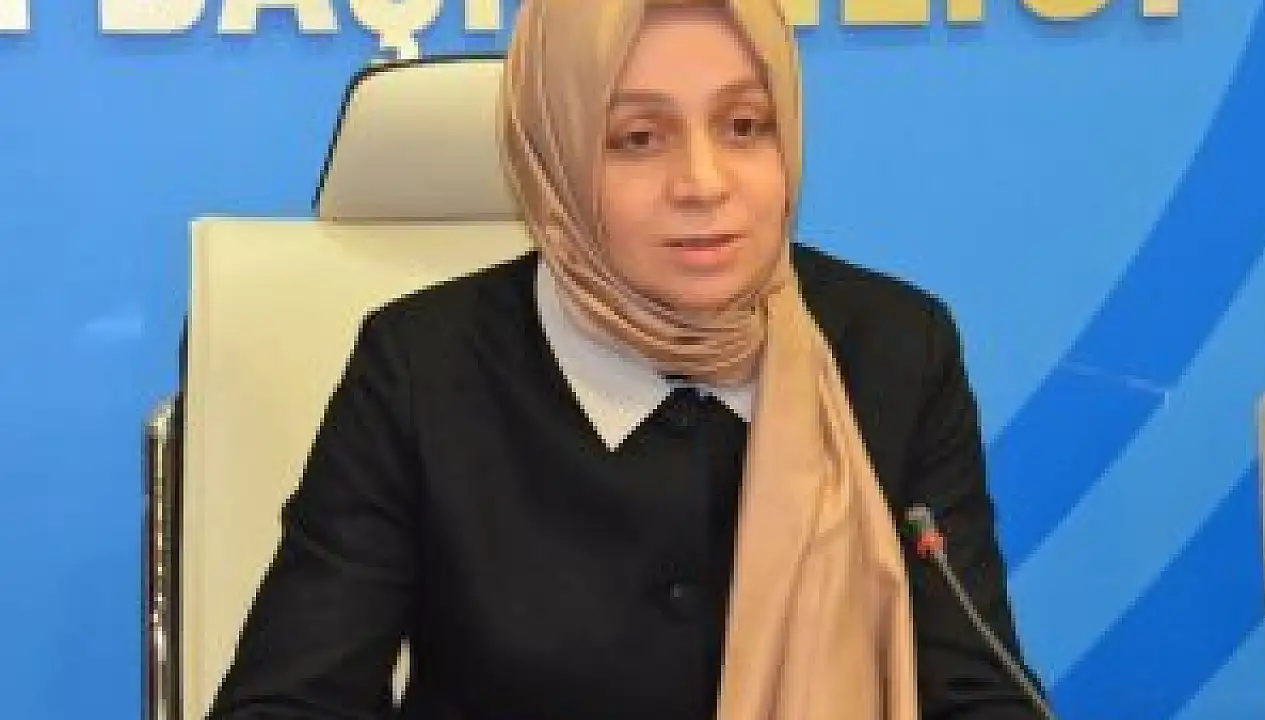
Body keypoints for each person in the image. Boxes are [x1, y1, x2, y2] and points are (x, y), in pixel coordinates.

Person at [208, 0, 1046, 718]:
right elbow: (290, 703)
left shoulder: (893, 349)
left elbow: (979, 692)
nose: (703, 183)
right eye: (638, 138)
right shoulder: (422, 370)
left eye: (743, 126)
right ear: (558, 158)